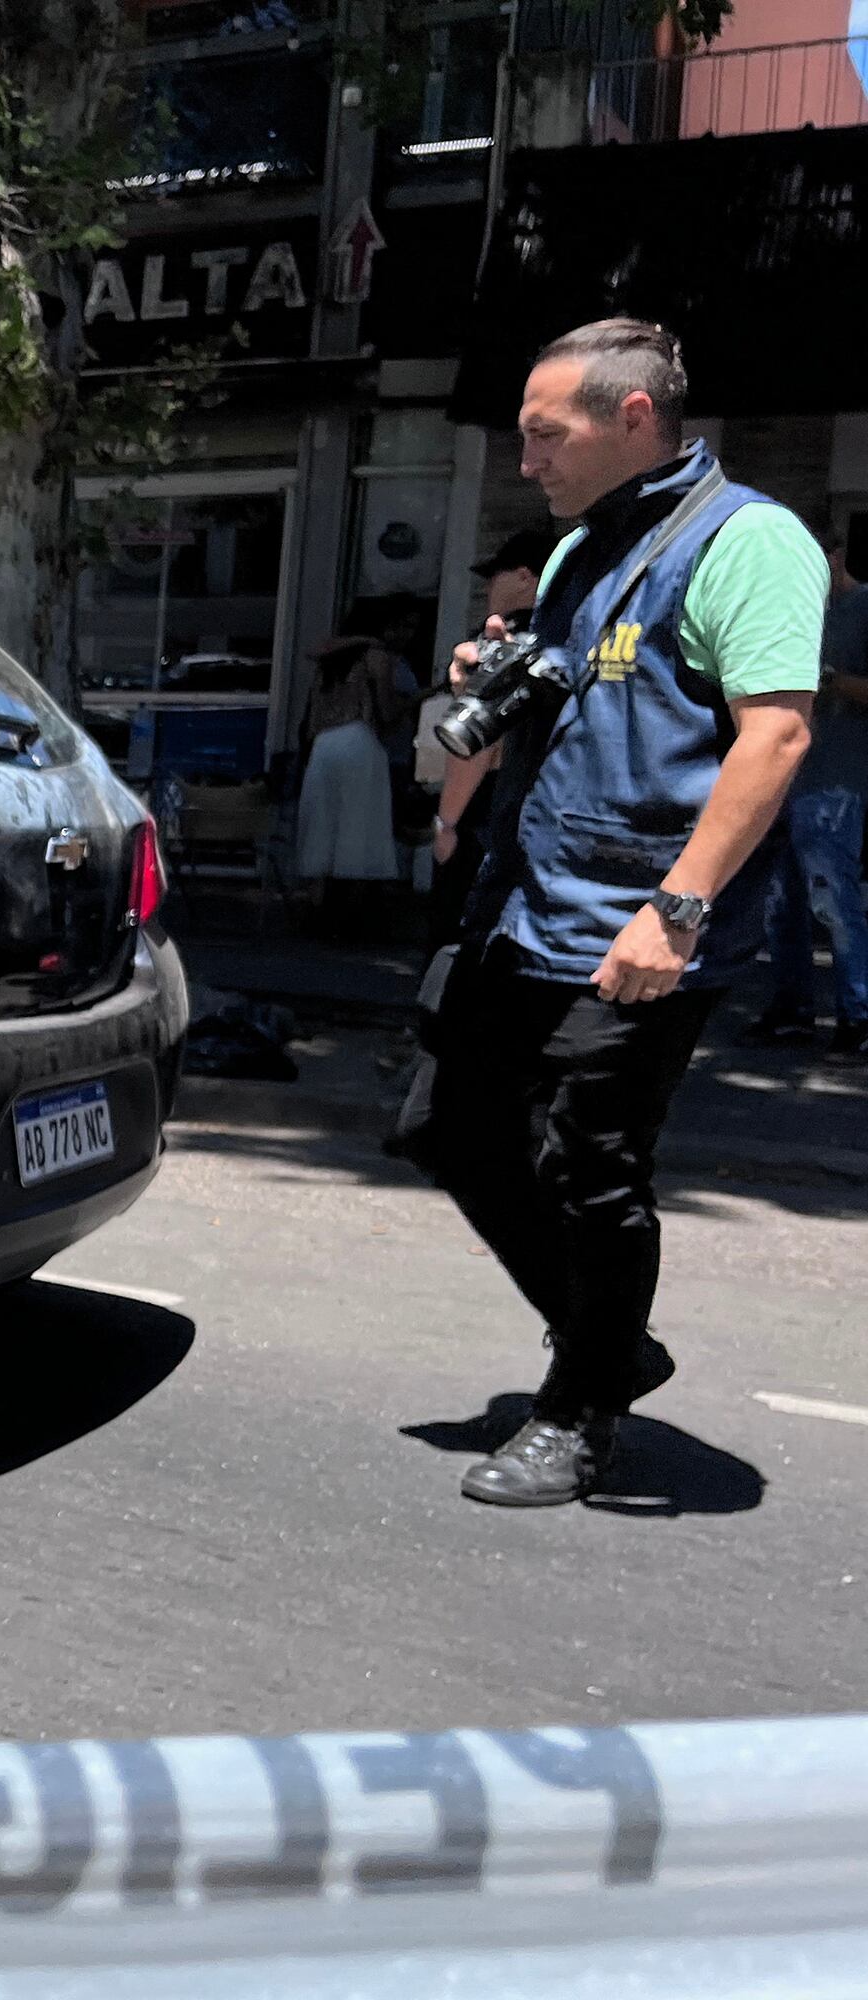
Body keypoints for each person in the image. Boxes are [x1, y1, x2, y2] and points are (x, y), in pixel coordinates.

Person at [394, 319, 818, 1506]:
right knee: (448, 1122)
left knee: (591, 1158)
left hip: (642, 925)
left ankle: (582, 1406)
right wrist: (501, 675)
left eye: (545, 433)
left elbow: (776, 733)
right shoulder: (582, 550)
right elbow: (578, 696)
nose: (526, 459)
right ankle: (610, 1335)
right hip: (525, 905)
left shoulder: (749, 539)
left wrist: (676, 913)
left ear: (632, 419)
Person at [737, 517, 868, 1056]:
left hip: (837, 777)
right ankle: (790, 1008)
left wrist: (829, 679)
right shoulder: (794, 612)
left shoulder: (861, 608)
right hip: (781, 776)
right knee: (780, 903)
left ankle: (858, 1014)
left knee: (831, 900)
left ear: (833, 556)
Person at [422, 527, 558, 946]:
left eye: (494, 575)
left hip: (490, 810)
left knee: (458, 948)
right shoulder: (569, 638)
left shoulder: (506, 641)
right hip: (550, 814)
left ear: (524, 576)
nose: (487, 589)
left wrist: (447, 823)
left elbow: (477, 742)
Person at [296, 629, 409, 932]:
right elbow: (385, 709)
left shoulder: (328, 660)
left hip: (323, 745)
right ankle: (352, 915)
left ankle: (317, 906)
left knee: (323, 826)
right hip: (360, 741)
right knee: (358, 829)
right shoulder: (376, 657)